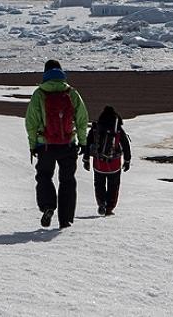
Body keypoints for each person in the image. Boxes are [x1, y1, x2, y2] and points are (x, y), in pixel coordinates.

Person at [25, 59, 88, 229]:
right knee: (67, 180)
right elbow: (82, 120)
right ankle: (65, 220)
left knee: (44, 176)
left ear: (45, 73)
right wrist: (82, 142)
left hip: (45, 146)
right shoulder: (72, 93)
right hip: (68, 144)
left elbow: (31, 123)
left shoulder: (39, 94)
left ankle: (48, 207)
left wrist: (33, 145)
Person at [83, 106, 132, 216]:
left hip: (98, 164)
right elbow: (125, 145)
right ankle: (109, 208)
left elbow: (88, 144)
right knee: (113, 186)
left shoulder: (96, 128)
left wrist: (86, 159)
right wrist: (127, 160)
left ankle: (101, 203)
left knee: (99, 184)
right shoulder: (117, 129)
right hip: (114, 164)